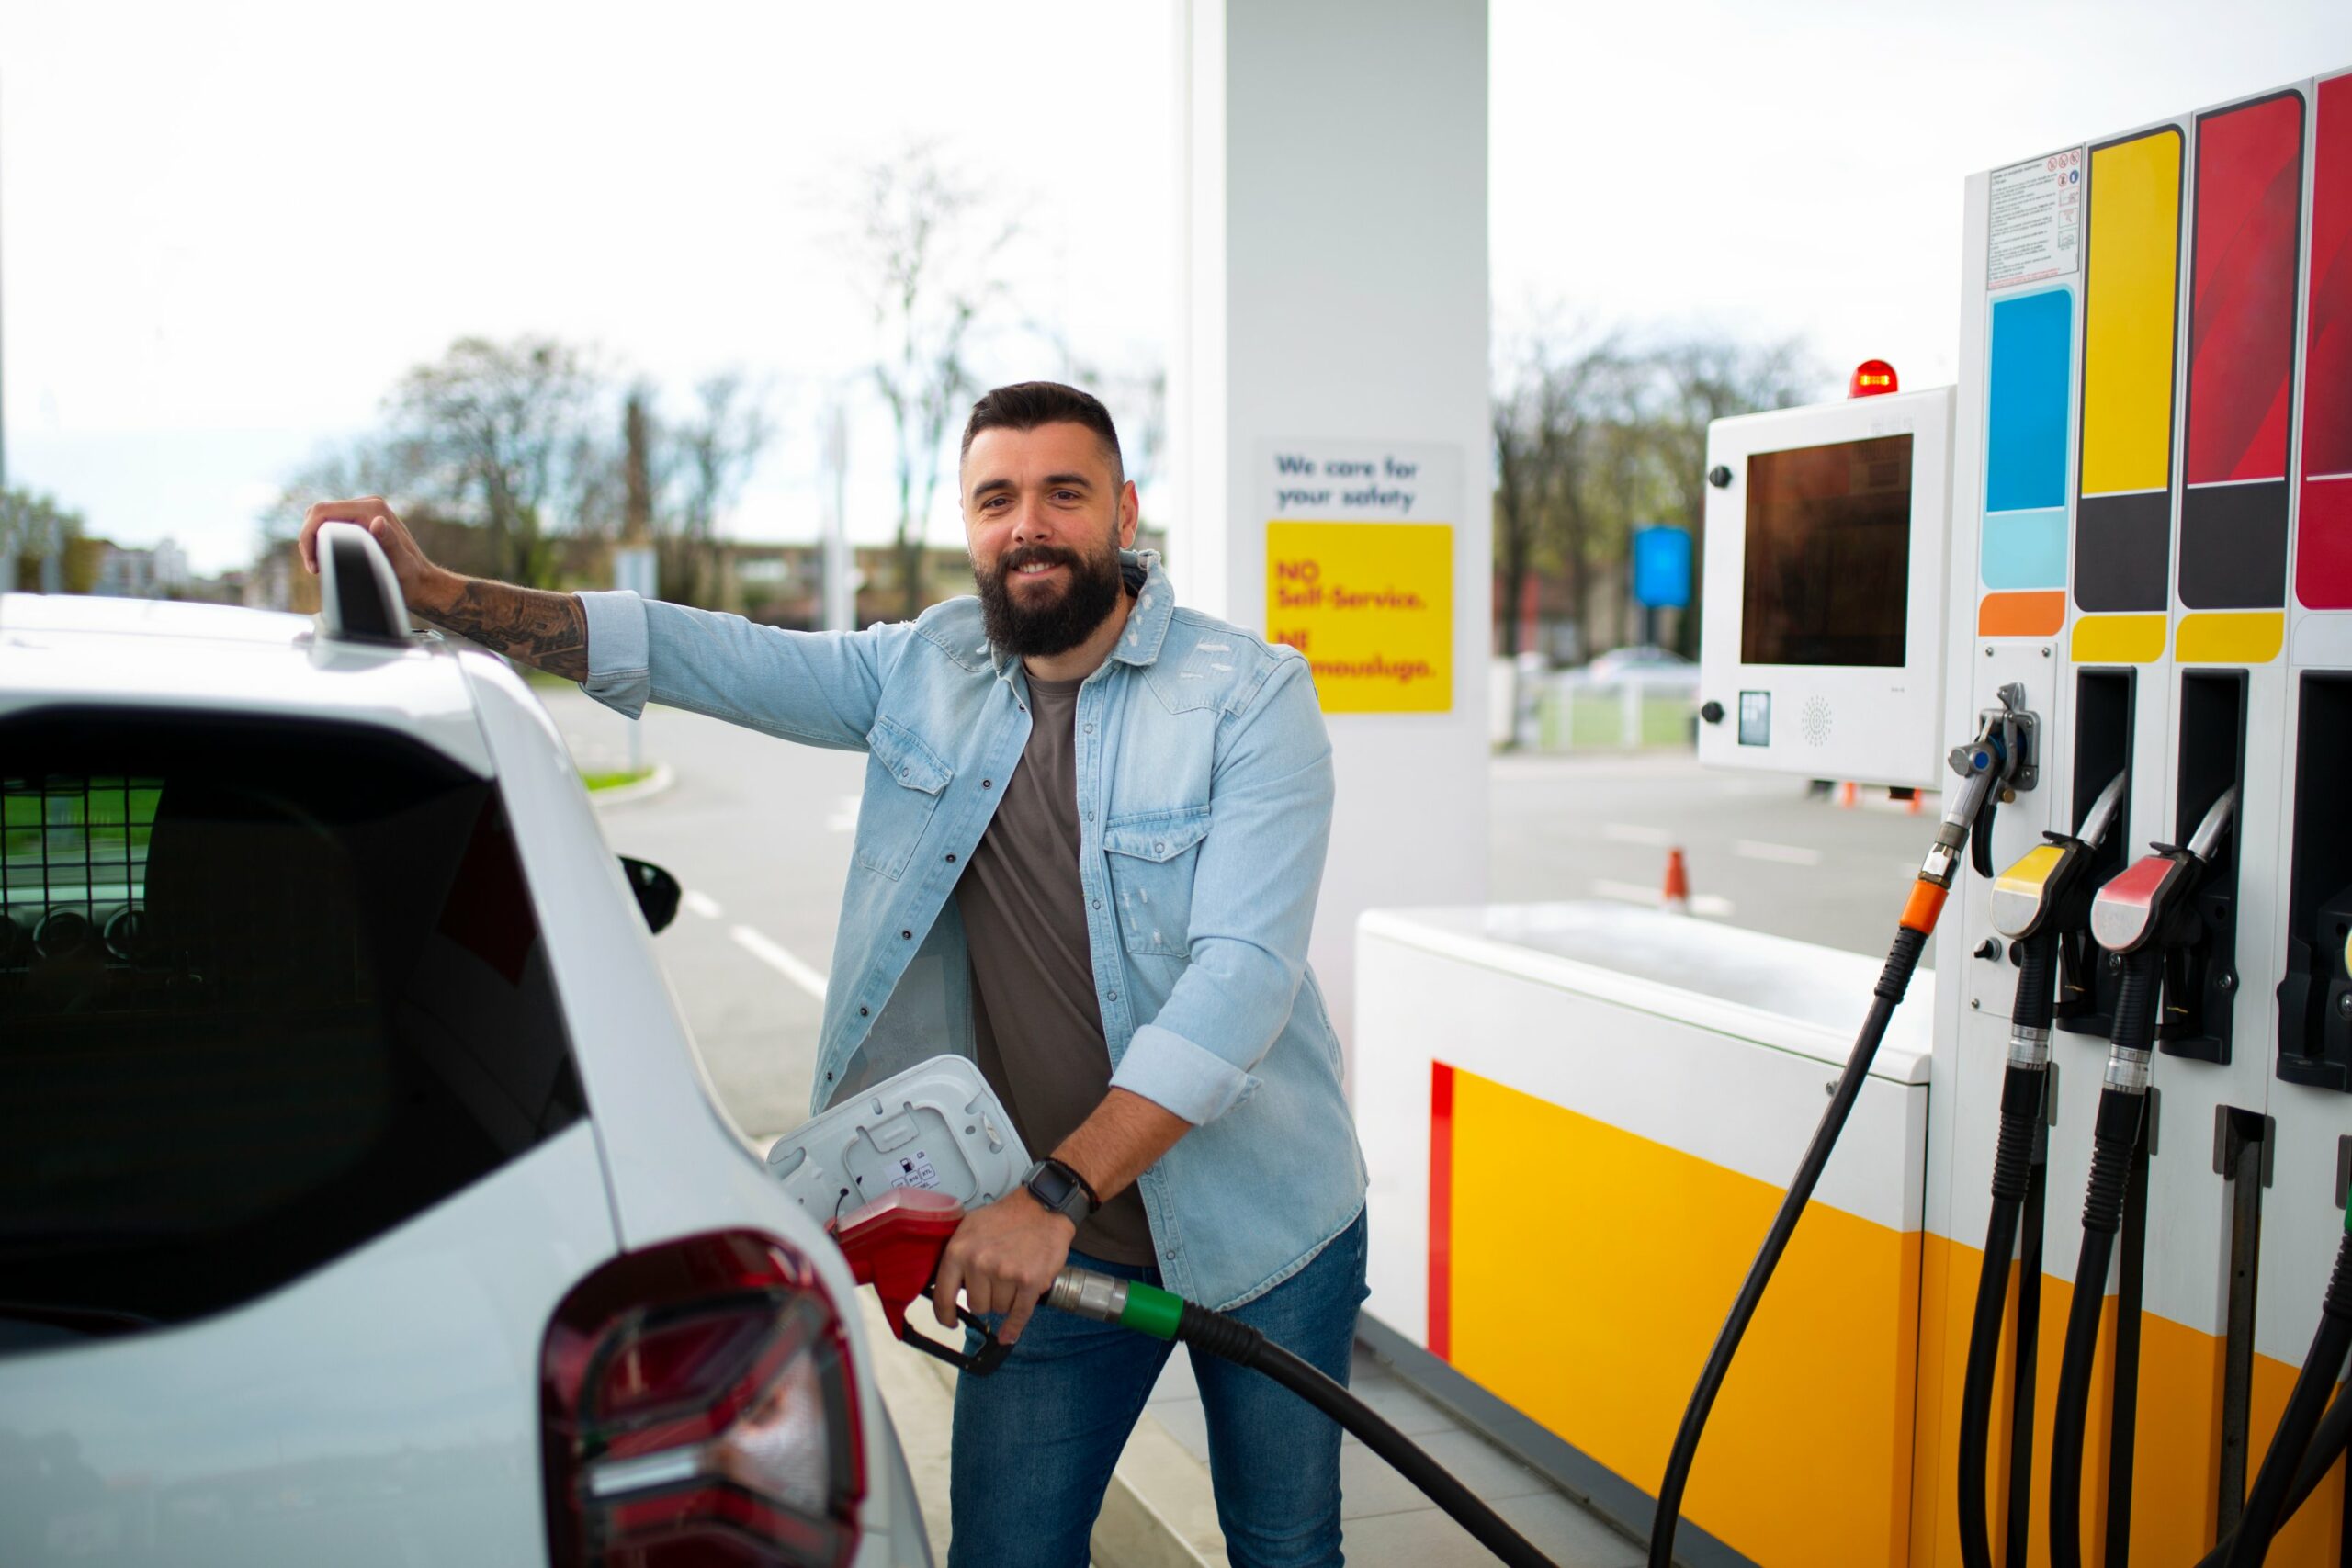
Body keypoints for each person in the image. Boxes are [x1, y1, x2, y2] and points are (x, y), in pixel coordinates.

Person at [297, 380, 1369, 1568]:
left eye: (1063, 493)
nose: (1028, 525)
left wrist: (1054, 1195)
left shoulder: (1248, 696)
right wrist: (445, 596)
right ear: (967, 525)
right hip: (1038, 1248)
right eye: (996, 499)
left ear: (1123, 512)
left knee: (1284, 1549)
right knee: (1007, 1555)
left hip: (1258, 1227)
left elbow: (1238, 984)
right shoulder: (930, 668)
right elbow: (708, 654)